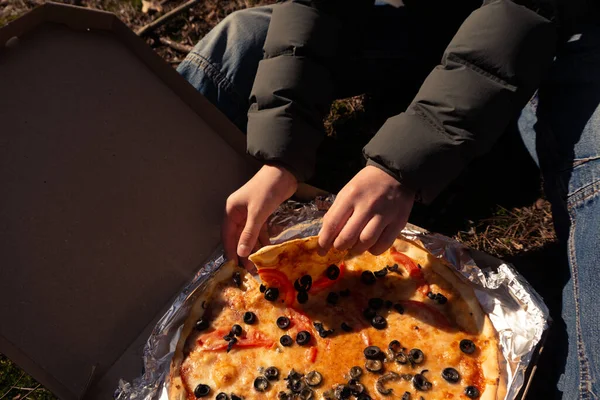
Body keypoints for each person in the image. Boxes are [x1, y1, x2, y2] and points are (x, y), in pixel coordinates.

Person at [177, 0, 599, 397]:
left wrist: (404, 163)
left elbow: (524, 11)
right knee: (241, 37)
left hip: (561, 39)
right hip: (429, 20)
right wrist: (281, 154)